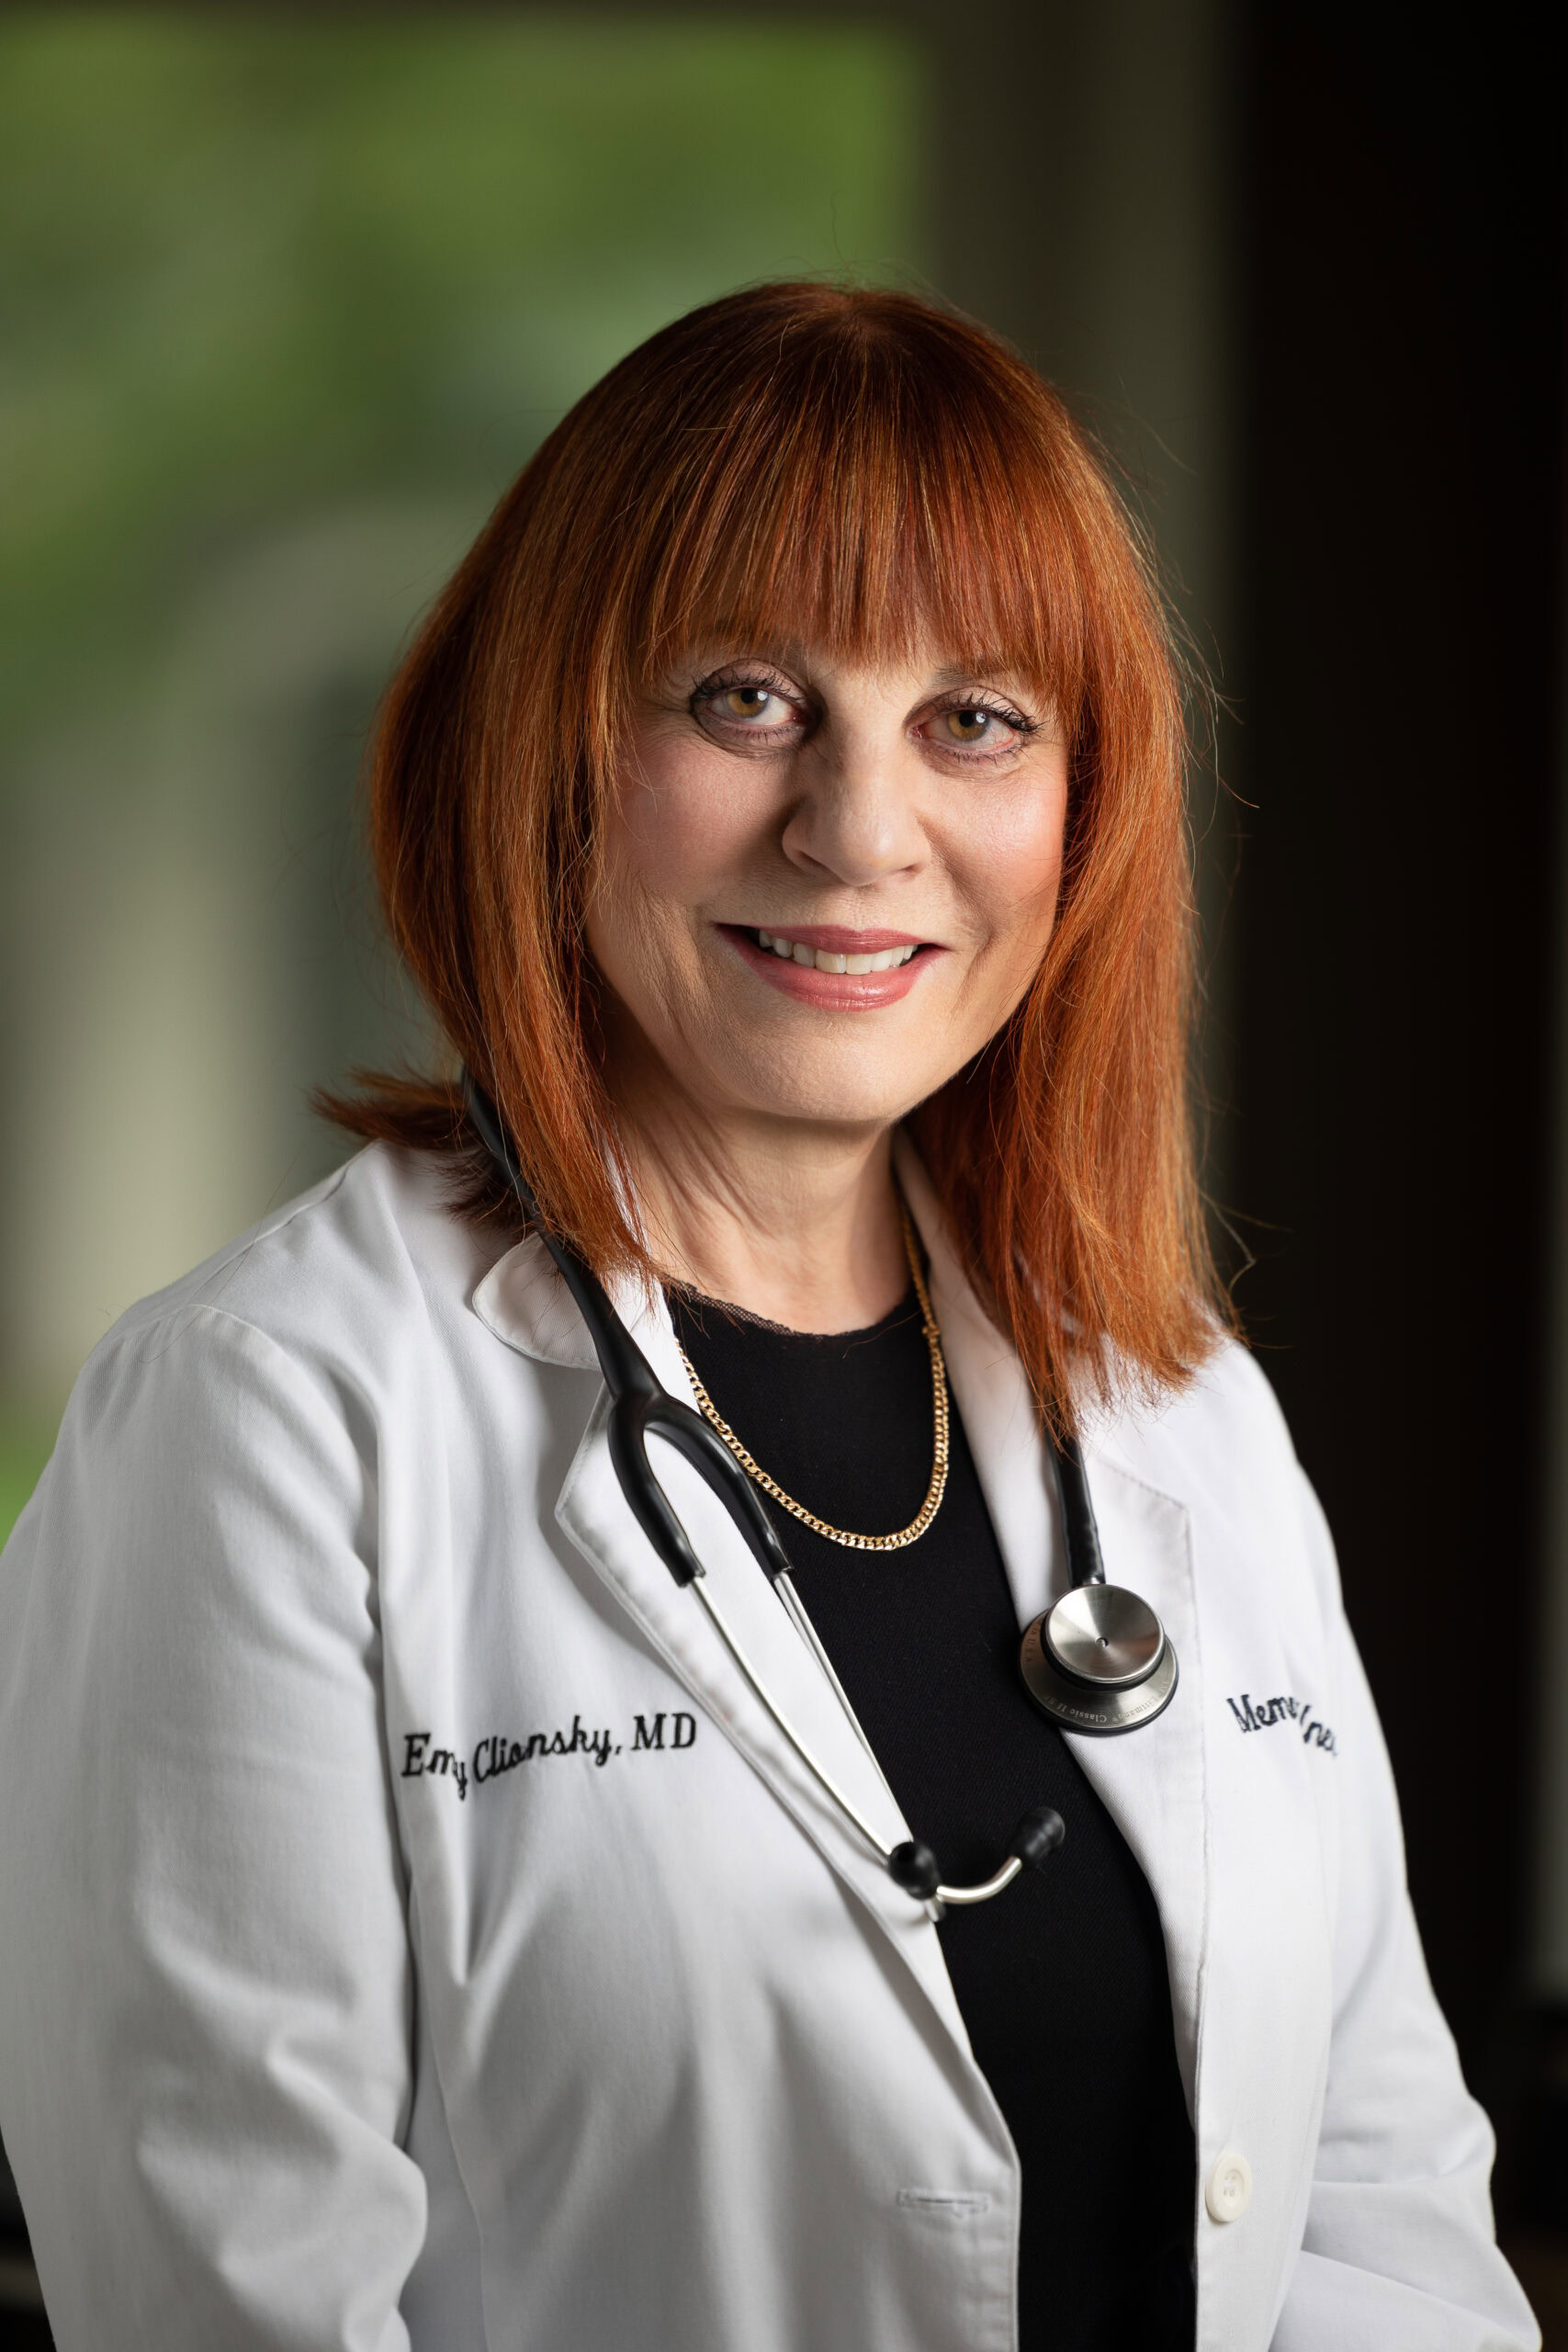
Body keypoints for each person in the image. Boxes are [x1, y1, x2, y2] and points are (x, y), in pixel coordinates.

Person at [0, 282, 1538, 2352]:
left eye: (973, 719)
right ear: (544, 742)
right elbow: (229, 2303)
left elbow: (1382, 2222)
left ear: (1081, 811)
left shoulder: (1181, 1415)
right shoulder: (268, 1419)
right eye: (743, 698)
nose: (859, 829)